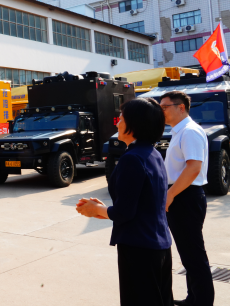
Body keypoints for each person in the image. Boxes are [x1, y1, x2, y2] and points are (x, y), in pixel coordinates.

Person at [76, 98, 172, 306]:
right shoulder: (153, 154)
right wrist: (100, 210)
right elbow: (142, 204)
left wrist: (97, 209)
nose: (117, 123)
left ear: (134, 125)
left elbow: (124, 212)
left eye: (121, 118)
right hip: (159, 245)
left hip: (139, 249)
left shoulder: (132, 158)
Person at [160, 91, 215, 306]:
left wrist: (170, 195)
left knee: (194, 256)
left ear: (180, 107)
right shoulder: (179, 131)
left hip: (185, 195)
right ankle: (194, 298)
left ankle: (201, 302)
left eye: (164, 106)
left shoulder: (190, 132)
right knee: (189, 255)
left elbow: (193, 168)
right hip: (182, 195)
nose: (161, 111)